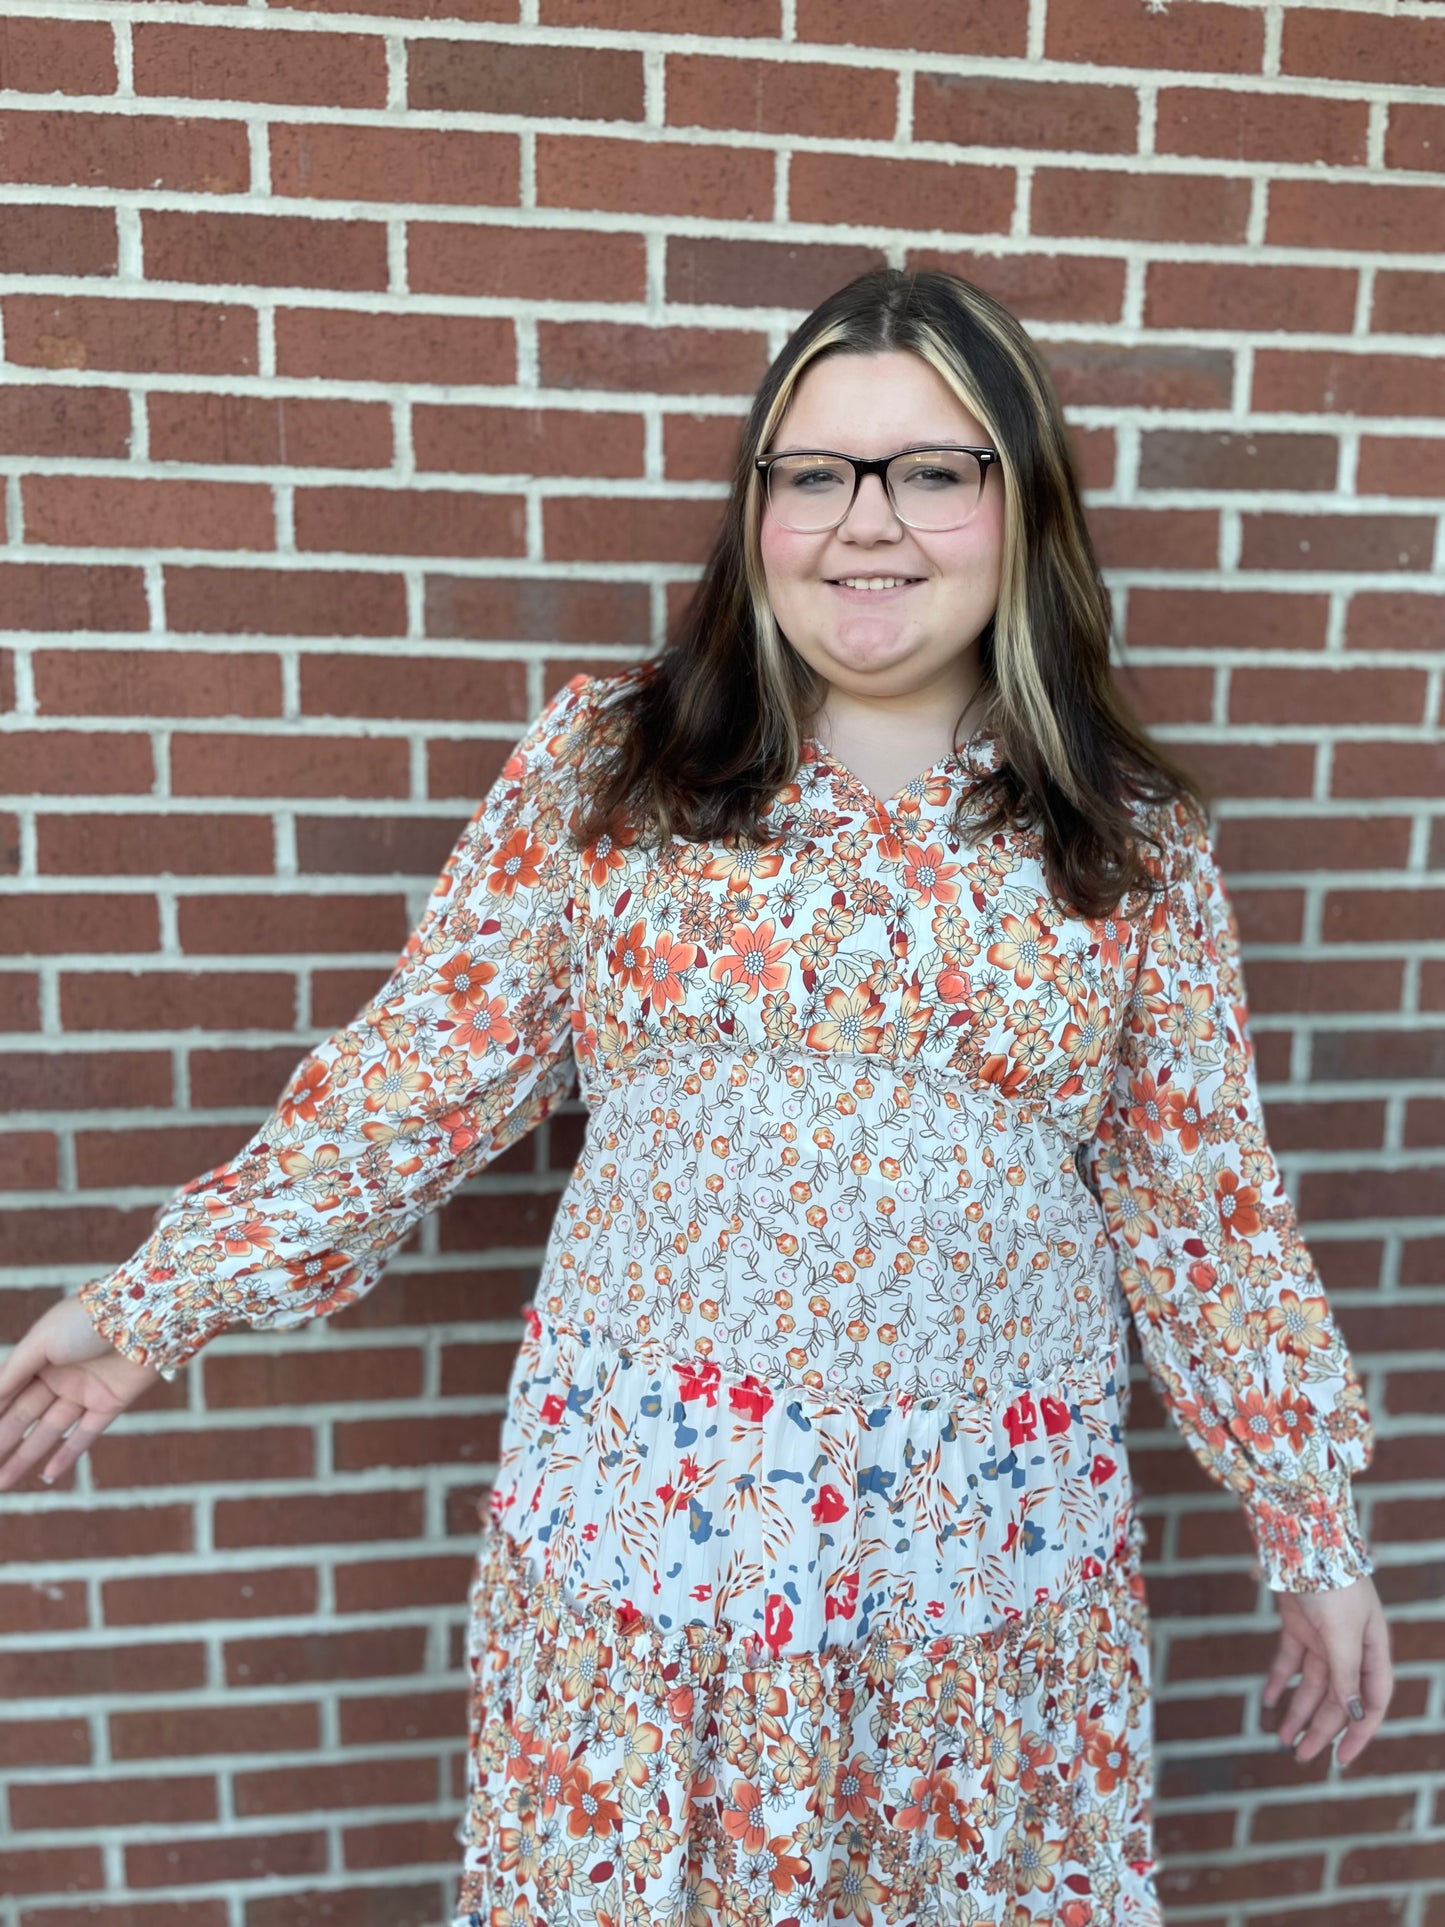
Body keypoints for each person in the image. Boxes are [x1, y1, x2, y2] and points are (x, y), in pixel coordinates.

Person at [0, 267, 1392, 1927]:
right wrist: (155, 1304)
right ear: (757, 512)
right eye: (813, 472)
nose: (863, 523)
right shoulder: (617, 769)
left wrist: (1307, 1527)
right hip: (656, 1557)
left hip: (974, 1584)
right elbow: (416, 1076)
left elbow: (1203, 1210)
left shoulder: (1127, 842)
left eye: (932, 470)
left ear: (1024, 511)